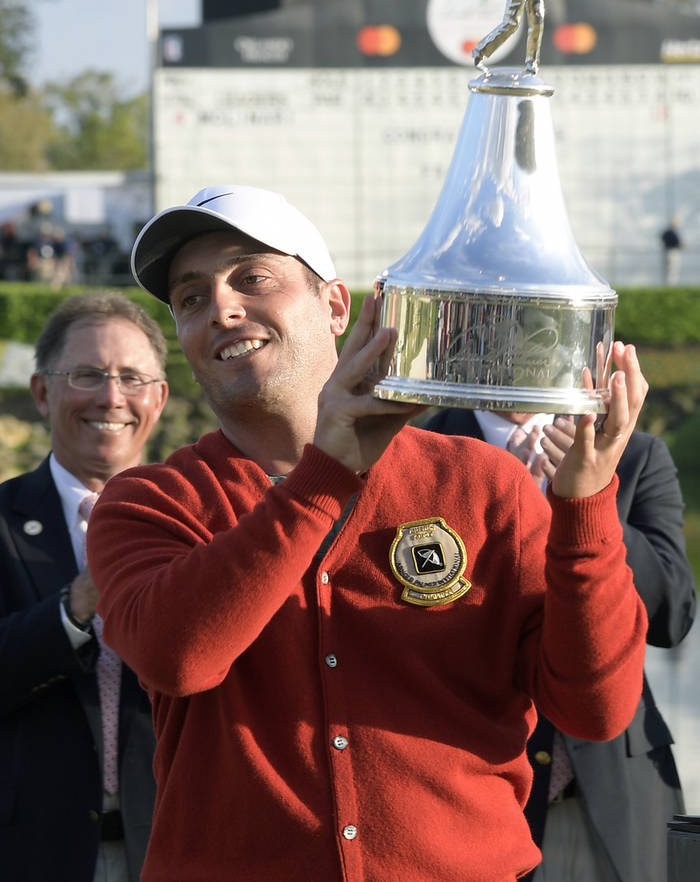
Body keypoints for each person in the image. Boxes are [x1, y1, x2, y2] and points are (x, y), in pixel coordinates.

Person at [88, 184, 649, 882]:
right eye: (191, 299)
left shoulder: (485, 484)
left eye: (252, 277)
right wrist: (327, 474)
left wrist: (587, 508)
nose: (222, 308)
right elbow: (178, 658)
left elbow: (594, 710)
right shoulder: (148, 500)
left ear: (333, 306)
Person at [425, 405, 695, 882]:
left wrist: (590, 499)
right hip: (469, 789)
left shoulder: (634, 454)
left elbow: (671, 616)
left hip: (616, 784)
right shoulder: (418, 446)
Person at [0, 292, 169, 882]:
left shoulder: (205, 522)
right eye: (88, 375)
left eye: (132, 377)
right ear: (43, 392)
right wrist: (75, 608)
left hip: (175, 844)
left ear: (159, 398)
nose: (112, 397)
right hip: (30, 851)